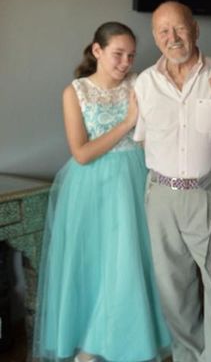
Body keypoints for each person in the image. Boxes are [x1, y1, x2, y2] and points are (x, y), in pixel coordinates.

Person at [33, 22, 171, 362]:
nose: (125, 62)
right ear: (97, 51)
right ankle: (90, 345)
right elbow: (81, 153)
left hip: (136, 179)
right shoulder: (75, 91)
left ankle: (128, 343)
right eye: (118, 54)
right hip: (90, 187)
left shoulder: (139, 84)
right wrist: (127, 122)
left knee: (130, 264)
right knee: (96, 265)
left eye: (131, 55)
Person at [133, 1, 211, 362]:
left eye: (178, 28)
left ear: (194, 28)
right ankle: (187, 356)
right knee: (173, 290)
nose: (172, 37)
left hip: (207, 194)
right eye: (163, 31)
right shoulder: (144, 83)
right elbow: (144, 138)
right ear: (155, 37)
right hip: (160, 197)